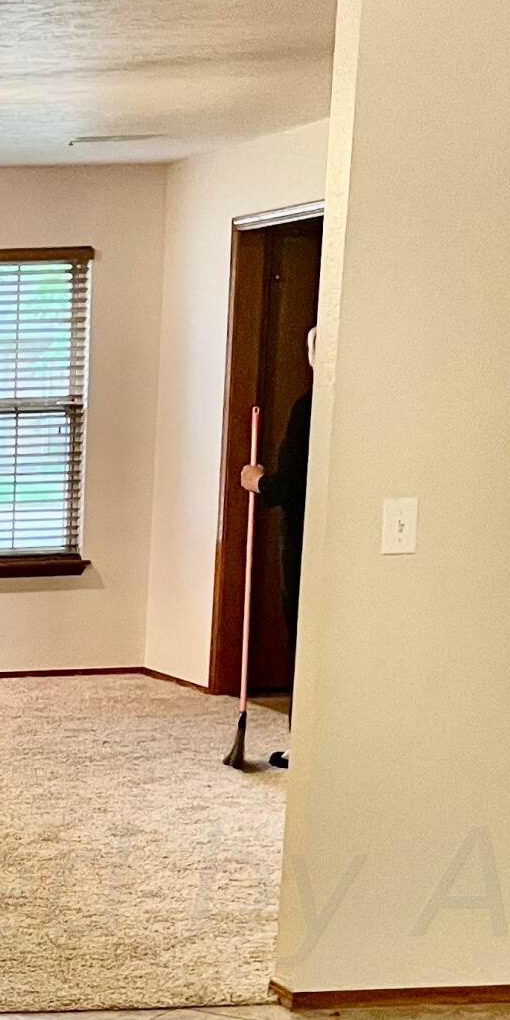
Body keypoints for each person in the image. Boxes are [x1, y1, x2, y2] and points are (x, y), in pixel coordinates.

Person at [238, 325, 315, 769]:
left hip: (304, 536)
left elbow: (290, 486)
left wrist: (257, 480)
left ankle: (302, 743)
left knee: (303, 634)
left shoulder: (309, 406)